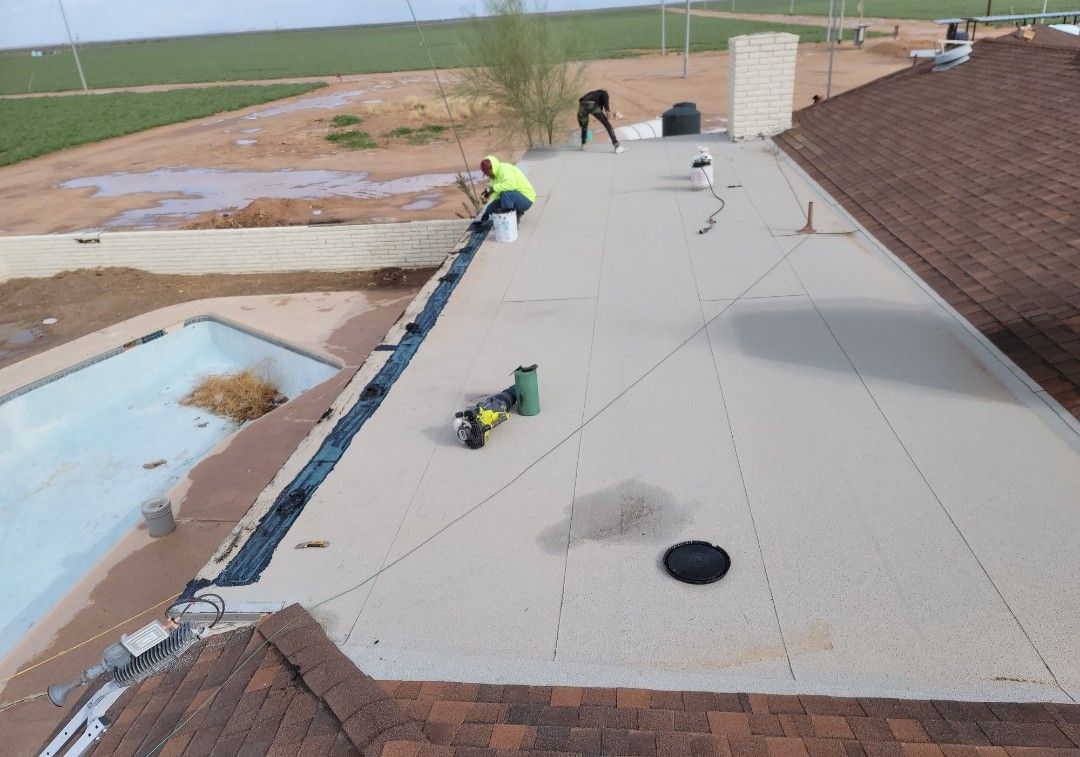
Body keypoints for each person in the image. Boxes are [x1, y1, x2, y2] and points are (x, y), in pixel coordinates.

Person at [471, 155, 536, 230]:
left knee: (505, 193)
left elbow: (511, 185)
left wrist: (493, 188)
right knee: (492, 207)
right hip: (516, 198)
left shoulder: (505, 169)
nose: (488, 176)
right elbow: (496, 197)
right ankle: (515, 213)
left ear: (491, 170)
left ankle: (510, 222)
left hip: (526, 199)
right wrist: (485, 213)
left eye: (487, 174)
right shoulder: (495, 177)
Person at [577, 89, 626, 153]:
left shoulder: (593, 94)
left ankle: (583, 145)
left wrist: (581, 122)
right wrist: (607, 111)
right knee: (607, 125)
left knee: (584, 126)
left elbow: (582, 112)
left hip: (582, 104)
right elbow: (605, 101)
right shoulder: (604, 93)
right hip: (592, 104)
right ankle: (616, 145)